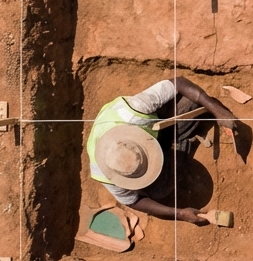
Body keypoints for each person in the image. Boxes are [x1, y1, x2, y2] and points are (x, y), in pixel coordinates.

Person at [87, 76, 239, 225]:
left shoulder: (133, 112)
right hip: (155, 133)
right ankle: (183, 141)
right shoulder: (104, 174)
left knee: (192, 103)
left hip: (158, 123)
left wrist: (217, 109)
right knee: (160, 190)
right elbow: (133, 201)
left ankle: (179, 139)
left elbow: (178, 83)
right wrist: (180, 214)